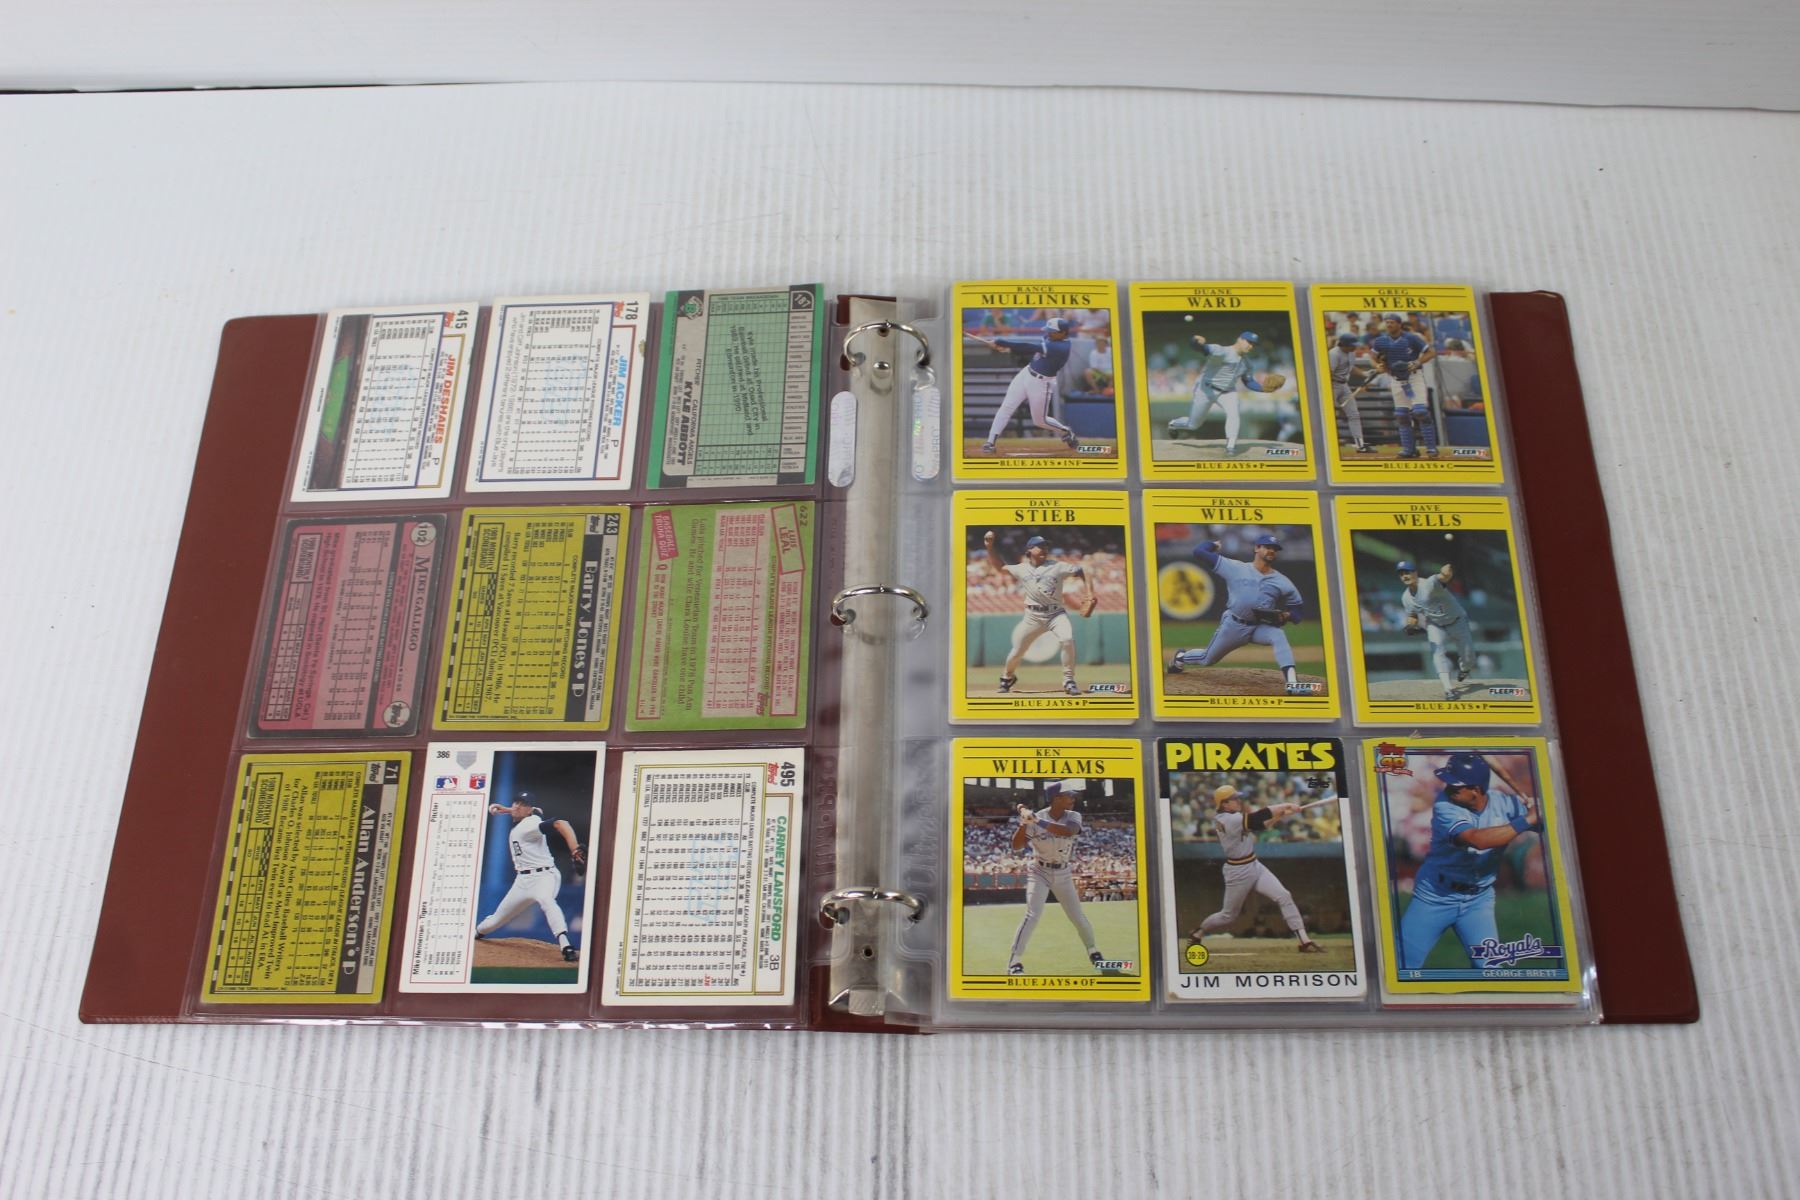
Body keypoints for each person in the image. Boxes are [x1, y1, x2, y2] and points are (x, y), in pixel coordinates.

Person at [1398, 753, 1542, 969]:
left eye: (1455, 785)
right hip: (1436, 895)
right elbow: (1477, 840)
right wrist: (1528, 819)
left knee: (1490, 969)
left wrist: (1540, 811)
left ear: (1476, 789)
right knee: (1403, 965)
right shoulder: (1445, 806)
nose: (1448, 788)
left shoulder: (1505, 803)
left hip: (1478, 900)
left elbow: (1543, 824)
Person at [1185, 784, 1326, 953]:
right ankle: (1198, 932)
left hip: (1254, 864)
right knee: (1228, 915)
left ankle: (1304, 941)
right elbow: (1258, 817)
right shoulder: (1228, 819)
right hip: (1238, 870)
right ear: (1224, 804)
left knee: (1284, 895)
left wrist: (1280, 815)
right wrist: (1286, 805)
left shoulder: (1232, 816)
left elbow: (1260, 825)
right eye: (1234, 799)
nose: (1238, 801)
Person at [1168, 535, 1310, 694]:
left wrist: (1287, 615)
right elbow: (1199, 552)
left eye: (1275, 549)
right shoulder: (1235, 567)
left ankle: (1293, 684)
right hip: (1235, 625)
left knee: (1278, 635)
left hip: (1260, 627)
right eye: (1267, 547)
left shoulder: (1282, 581)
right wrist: (1213, 545)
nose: (1271, 550)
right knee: (1207, 659)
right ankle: (1181, 657)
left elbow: (1297, 609)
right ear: (1257, 548)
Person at [981, 530, 1098, 697]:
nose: (1045, 549)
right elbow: (1000, 567)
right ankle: (1007, 677)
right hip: (1033, 617)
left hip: (1056, 614)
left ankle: (1069, 680)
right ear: (1029, 550)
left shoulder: (1057, 566)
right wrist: (990, 547)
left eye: (1046, 546)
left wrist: (1090, 592)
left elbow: (1083, 571)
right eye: (1040, 546)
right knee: (1017, 651)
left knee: (1067, 639)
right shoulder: (1021, 568)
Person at [1007, 781, 1108, 974]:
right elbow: (1017, 846)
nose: (1073, 798)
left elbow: (1068, 831)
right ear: (1056, 798)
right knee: (1032, 915)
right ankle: (1014, 962)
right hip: (1039, 871)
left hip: (1063, 872)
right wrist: (1024, 823)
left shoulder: (1073, 816)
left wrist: (1036, 821)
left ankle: (1093, 952)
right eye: (1069, 795)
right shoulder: (1036, 817)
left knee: (1077, 916)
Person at [473, 792, 585, 962]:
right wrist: (506, 809)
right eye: (516, 802)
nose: (517, 806)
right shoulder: (533, 816)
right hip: (522, 881)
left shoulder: (530, 826)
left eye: (523, 804)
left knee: (547, 901)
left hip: (544, 876)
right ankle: (476, 933)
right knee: (493, 922)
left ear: (529, 810)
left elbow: (561, 823)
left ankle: (566, 946)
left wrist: (575, 850)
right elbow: (537, 810)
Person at [969, 317, 1081, 453]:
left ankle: (1066, 431)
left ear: (1063, 333)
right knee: (1006, 407)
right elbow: (1033, 351)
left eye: (1052, 331)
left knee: (1039, 421)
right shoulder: (1051, 337)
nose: (1049, 333)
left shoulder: (1061, 347)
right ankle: (990, 442)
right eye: (1049, 330)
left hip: (1042, 383)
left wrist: (1001, 342)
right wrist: (1008, 349)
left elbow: (1029, 347)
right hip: (1026, 373)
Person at [1166, 331, 1272, 456]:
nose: (1251, 346)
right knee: (1194, 424)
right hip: (1205, 389)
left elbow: (1248, 382)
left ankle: (1230, 447)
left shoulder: (1247, 363)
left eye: (1253, 344)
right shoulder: (1222, 351)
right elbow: (1200, 348)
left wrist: (1262, 388)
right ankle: (1173, 424)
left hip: (1228, 392)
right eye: (1249, 342)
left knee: (1234, 414)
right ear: (1240, 339)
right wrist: (1195, 340)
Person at [1397, 560, 1473, 701]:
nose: (1404, 576)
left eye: (1407, 572)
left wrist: (1448, 566)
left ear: (1415, 573)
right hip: (1435, 624)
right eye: (1401, 574)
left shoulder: (1429, 584)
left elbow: (1444, 576)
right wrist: (1411, 625)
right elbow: (1412, 615)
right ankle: (1448, 689)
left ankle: (1465, 669)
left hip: (1457, 621)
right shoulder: (1406, 597)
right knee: (1437, 652)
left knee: (1468, 658)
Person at [1368, 314, 1438, 459]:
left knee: (1420, 412)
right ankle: (1409, 449)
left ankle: (1431, 448)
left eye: (1392, 322)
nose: (1389, 325)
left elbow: (1431, 352)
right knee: (1401, 415)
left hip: (1413, 377)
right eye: (1387, 322)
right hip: (1396, 379)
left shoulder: (1411, 338)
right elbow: (1372, 357)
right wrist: (1377, 366)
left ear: (1399, 324)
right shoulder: (1381, 340)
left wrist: (1417, 362)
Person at [1328, 332, 1377, 452]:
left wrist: (1364, 374)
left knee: (1354, 414)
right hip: (1331, 385)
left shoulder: (1351, 352)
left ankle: (1360, 445)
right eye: (1352, 345)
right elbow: (1328, 373)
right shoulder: (1334, 354)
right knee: (1328, 416)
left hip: (1344, 385)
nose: (1355, 347)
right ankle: (1327, 445)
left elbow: (1351, 367)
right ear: (1344, 344)